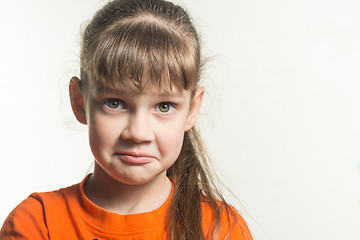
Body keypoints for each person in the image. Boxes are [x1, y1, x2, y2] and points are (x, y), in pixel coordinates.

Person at [0, 0, 253, 239]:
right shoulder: (38, 223)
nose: (138, 133)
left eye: (164, 106)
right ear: (79, 102)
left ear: (192, 110)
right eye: (115, 103)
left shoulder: (221, 229)